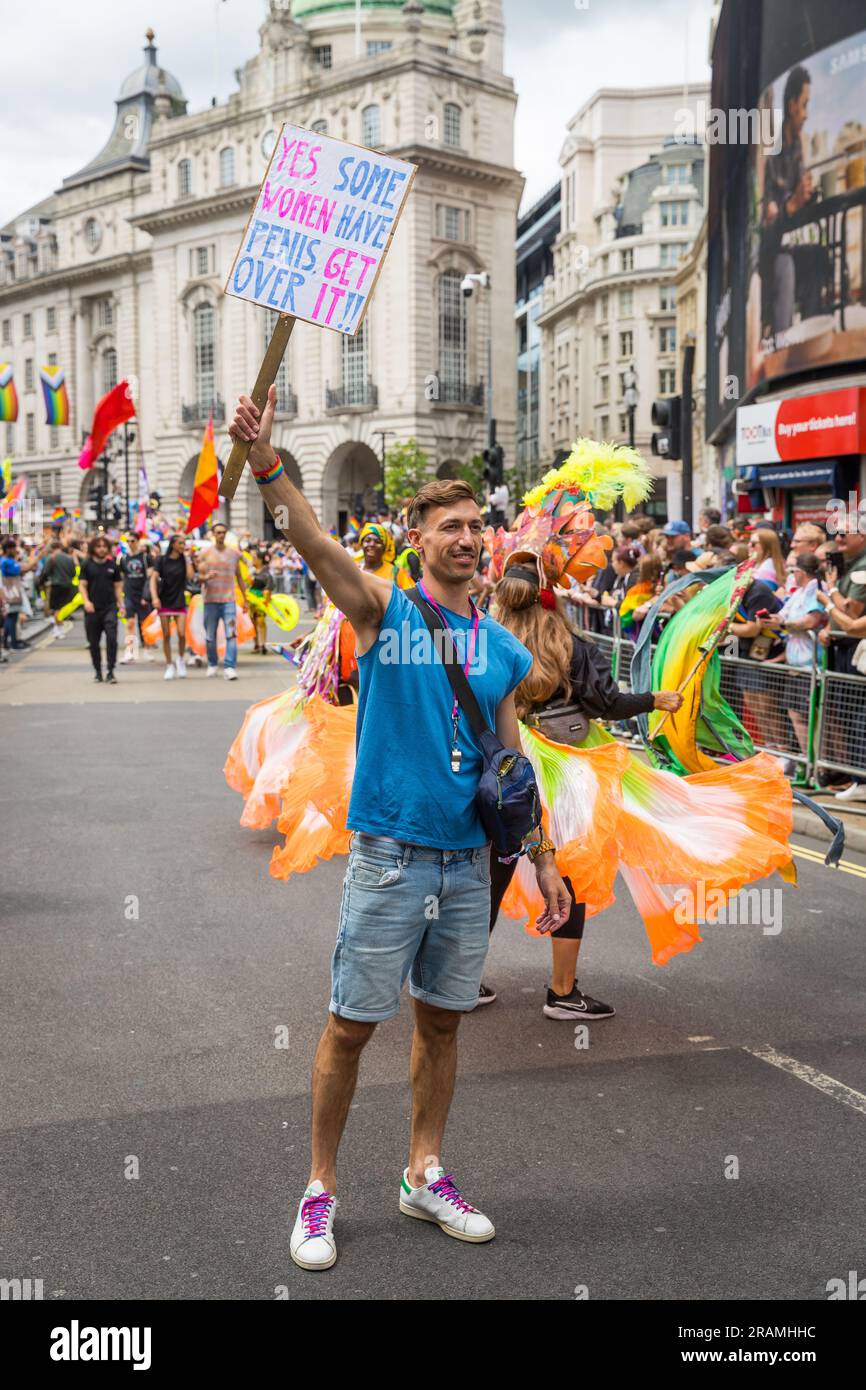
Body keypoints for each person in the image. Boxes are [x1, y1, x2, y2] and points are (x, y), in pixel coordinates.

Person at [230, 384, 571, 1272]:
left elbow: (513, 769)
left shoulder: (502, 649)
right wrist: (268, 460)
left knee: (445, 1025)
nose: (465, 539)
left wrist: (542, 860)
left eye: (475, 527)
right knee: (350, 1025)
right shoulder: (383, 613)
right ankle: (319, 1190)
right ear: (419, 538)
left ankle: (425, 1173)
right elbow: (310, 540)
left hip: (466, 867)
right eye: (448, 526)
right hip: (388, 859)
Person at [480, 562, 682, 1016]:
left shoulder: (484, 641)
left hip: (504, 763)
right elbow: (607, 704)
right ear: (551, 598)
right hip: (567, 769)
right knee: (570, 871)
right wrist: (655, 699)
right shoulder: (572, 646)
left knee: (492, 870)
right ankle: (563, 992)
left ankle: (460, 982)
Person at [194, 521, 246, 680]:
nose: (221, 535)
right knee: (210, 636)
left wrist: (246, 599)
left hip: (229, 601)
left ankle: (230, 666)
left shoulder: (234, 553)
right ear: (213, 534)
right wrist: (205, 577)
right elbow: (198, 578)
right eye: (218, 532)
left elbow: (240, 577)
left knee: (231, 634)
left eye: (223, 532)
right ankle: (212, 664)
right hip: (210, 601)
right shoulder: (204, 553)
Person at [79, 534, 123, 683]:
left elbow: (118, 586)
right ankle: (98, 671)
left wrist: (120, 604)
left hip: (110, 607)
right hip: (92, 609)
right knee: (94, 642)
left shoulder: (113, 566)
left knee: (112, 638)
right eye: (98, 546)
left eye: (104, 546)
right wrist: (86, 601)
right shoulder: (86, 565)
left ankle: (111, 671)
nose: (102, 549)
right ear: (93, 548)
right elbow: (82, 585)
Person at [150, 534, 193, 680]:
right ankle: (169, 665)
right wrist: (155, 597)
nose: (183, 546)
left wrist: (187, 558)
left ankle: (180, 660)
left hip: (179, 600)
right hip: (164, 600)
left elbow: (190, 576)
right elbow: (153, 579)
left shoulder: (183, 560)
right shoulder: (161, 560)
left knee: (181, 633)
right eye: (180, 543)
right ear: (173, 544)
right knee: (166, 634)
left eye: (184, 543)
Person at [119, 534, 151, 663]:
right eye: (128, 541)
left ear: (138, 542)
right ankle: (130, 651)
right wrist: (121, 598)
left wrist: (147, 595)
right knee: (130, 623)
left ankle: (147, 649)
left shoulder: (145, 558)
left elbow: (150, 579)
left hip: (142, 595)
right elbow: (121, 579)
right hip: (129, 595)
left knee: (144, 624)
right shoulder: (123, 559)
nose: (130, 543)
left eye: (133, 541)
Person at [1, 538, 35, 650]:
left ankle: (6, 642)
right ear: (9, 549)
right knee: (12, 617)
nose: (16, 550)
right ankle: (13, 643)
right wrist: (38, 556)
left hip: (9, 592)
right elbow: (24, 569)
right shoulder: (6, 562)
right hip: (10, 593)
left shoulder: (5, 560)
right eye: (14, 547)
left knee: (11, 617)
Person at [248, 549, 272, 654]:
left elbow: (269, 588)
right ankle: (256, 644)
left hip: (260, 600)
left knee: (260, 621)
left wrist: (266, 599)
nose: (252, 560)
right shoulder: (249, 571)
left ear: (260, 559)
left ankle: (262, 645)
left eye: (254, 558)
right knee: (251, 622)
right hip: (249, 600)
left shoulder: (266, 573)